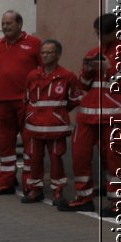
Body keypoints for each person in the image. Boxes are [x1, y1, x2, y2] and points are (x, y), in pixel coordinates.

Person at [63, 12, 121, 212]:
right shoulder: (95, 51)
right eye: (97, 34)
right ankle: (84, 197)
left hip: (117, 115)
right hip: (88, 116)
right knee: (79, 155)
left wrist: (110, 68)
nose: (100, 38)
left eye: (103, 34)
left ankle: (117, 202)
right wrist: (87, 68)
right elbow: (84, 85)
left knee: (115, 159)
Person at [0, 10, 43, 196]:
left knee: (29, 144)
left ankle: (30, 184)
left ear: (20, 24)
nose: (5, 27)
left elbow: (44, 72)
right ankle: (6, 182)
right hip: (2, 103)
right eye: (3, 23)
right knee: (5, 145)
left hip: (25, 103)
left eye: (9, 23)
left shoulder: (34, 43)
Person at [21, 39, 79, 205]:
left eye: (49, 52)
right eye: (43, 52)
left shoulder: (68, 76)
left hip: (56, 127)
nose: (44, 55)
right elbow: (26, 99)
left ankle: (58, 192)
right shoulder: (32, 75)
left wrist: (58, 113)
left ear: (58, 55)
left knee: (56, 160)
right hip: (34, 127)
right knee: (35, 159)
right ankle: (36, 190)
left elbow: (74, 99)